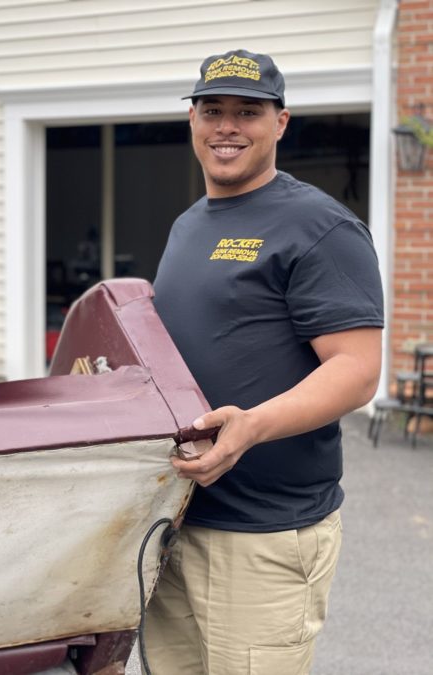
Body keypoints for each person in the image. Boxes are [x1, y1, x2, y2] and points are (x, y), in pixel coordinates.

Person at [147, 50, 384, 674]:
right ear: (192, 121)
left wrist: (250, 426)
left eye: (247, 112)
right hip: (174, 520)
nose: (227, 126)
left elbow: (357, 370)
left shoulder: (319, 226)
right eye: (212, 110)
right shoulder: (187, 225)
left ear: (280, 123)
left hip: (263, 535)